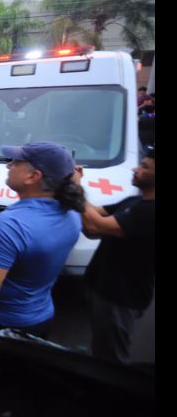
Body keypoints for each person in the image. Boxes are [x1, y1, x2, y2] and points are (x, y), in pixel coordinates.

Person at [0, 141, 85, 338]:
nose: (8, 165)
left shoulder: (8, 226)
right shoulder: (72, 214)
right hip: (41, 318)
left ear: (33, 176)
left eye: (16, 162)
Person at [77, 147, 155, 363]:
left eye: (144, 167)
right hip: (103, 288)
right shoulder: (134, 202)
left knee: (112, 359)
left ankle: (109, 394)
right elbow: (95, 211)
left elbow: (94, 225)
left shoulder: (149, 213)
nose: (135, 168)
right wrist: (77, 184)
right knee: (102, 343)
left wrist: (74, 187)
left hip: (120, 296)